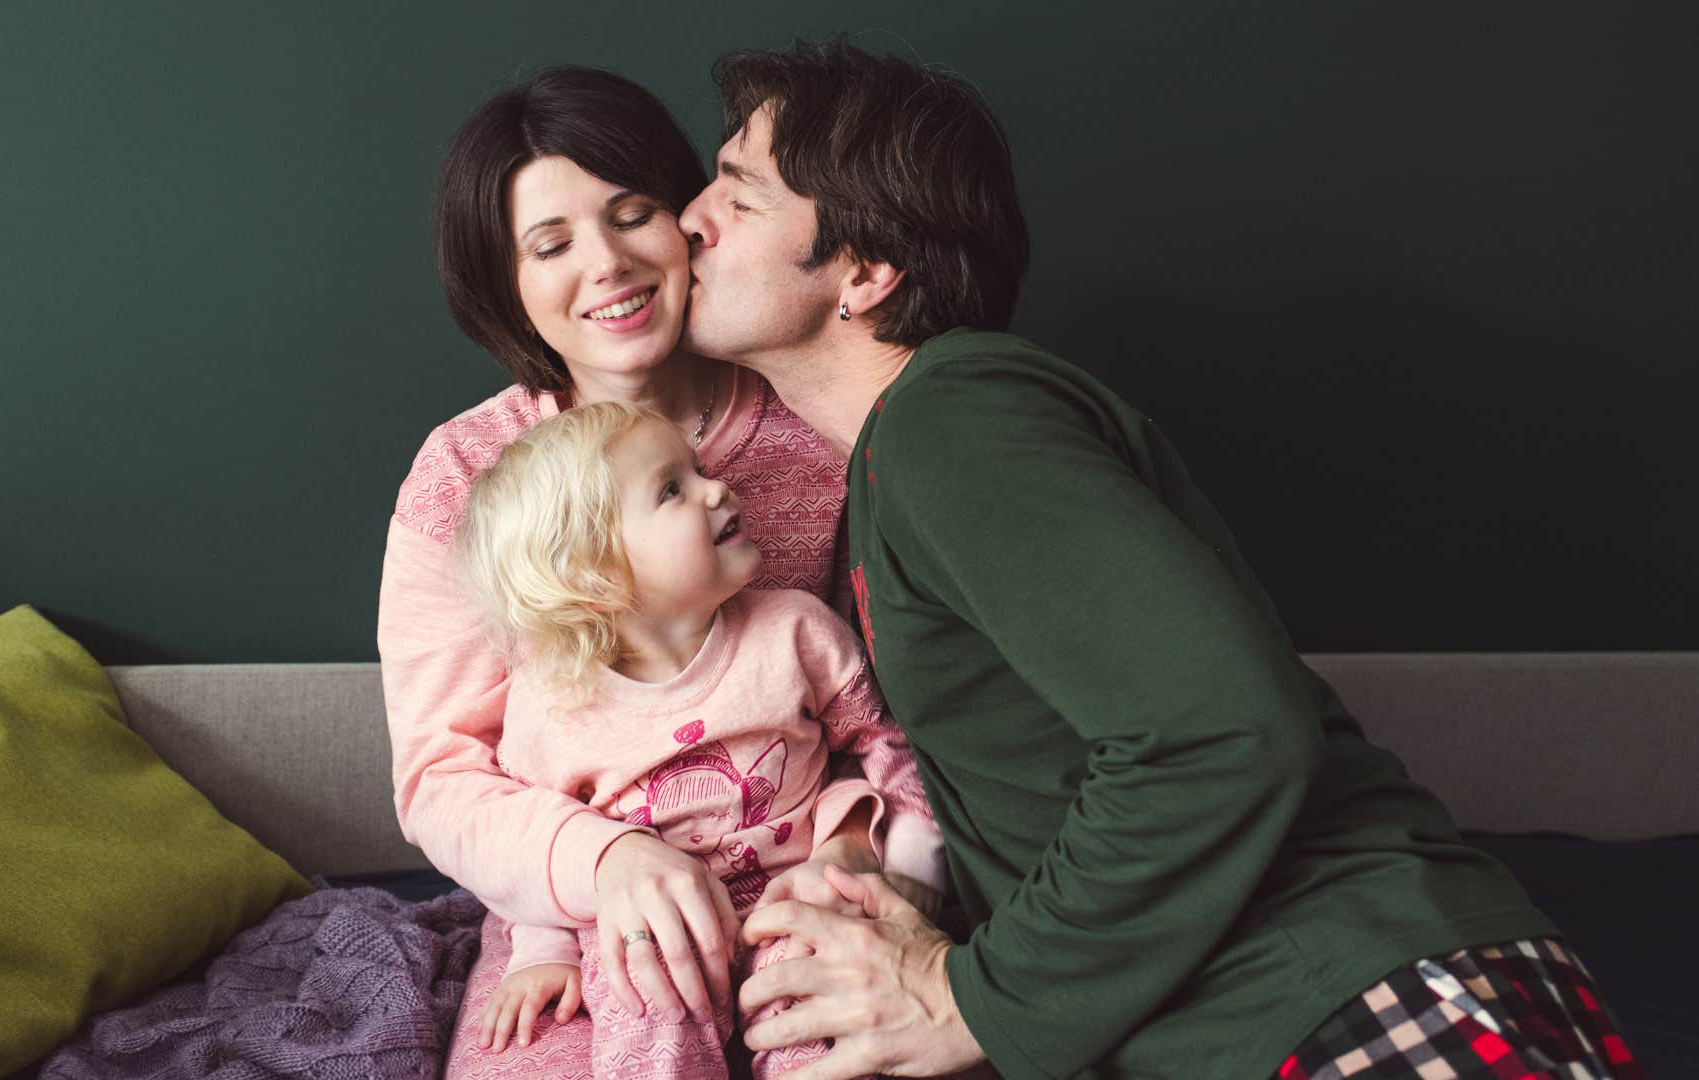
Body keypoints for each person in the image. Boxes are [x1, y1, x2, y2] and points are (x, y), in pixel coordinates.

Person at [669, 38, 1645, 1080]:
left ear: (863, 270)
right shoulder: (892, 477)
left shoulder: (950, 416)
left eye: (738, 189)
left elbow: (1222, 729)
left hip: (1346, 992)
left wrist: (971, 1002)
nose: (690, 217)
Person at [375, 67, 893, 1075]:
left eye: (632, 215)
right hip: (585, 927)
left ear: (690, 221)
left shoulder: (817, 413)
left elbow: (895, 706)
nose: (607, 265)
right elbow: (442, 774)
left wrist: (864, 855)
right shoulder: (467, 475)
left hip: (811, 880)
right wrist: (604, 861)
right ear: (508, 285)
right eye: (552, 245)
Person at [448, 401, 942, 1075]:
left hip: (794, 903)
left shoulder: (797, 634)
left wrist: (900, 869)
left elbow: (889, 744)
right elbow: (532, 843)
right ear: (596, 574)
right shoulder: (551, 702)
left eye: (699, 468)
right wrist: (545, 956)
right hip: (651, 929)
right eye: (672, 489)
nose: (716, 488)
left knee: (822, 1025)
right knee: (642, 1005)